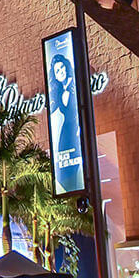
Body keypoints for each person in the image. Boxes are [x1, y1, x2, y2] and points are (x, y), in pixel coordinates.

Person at [47, 53, 84, 193]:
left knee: (77, 167)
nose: (61, 71)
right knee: (65, 172)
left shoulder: (76, 84)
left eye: (62, 67)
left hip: (76, 130)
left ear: (66, 67)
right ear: (55, 75)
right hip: (65, 134)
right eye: (57, 70)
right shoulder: (58, 91)